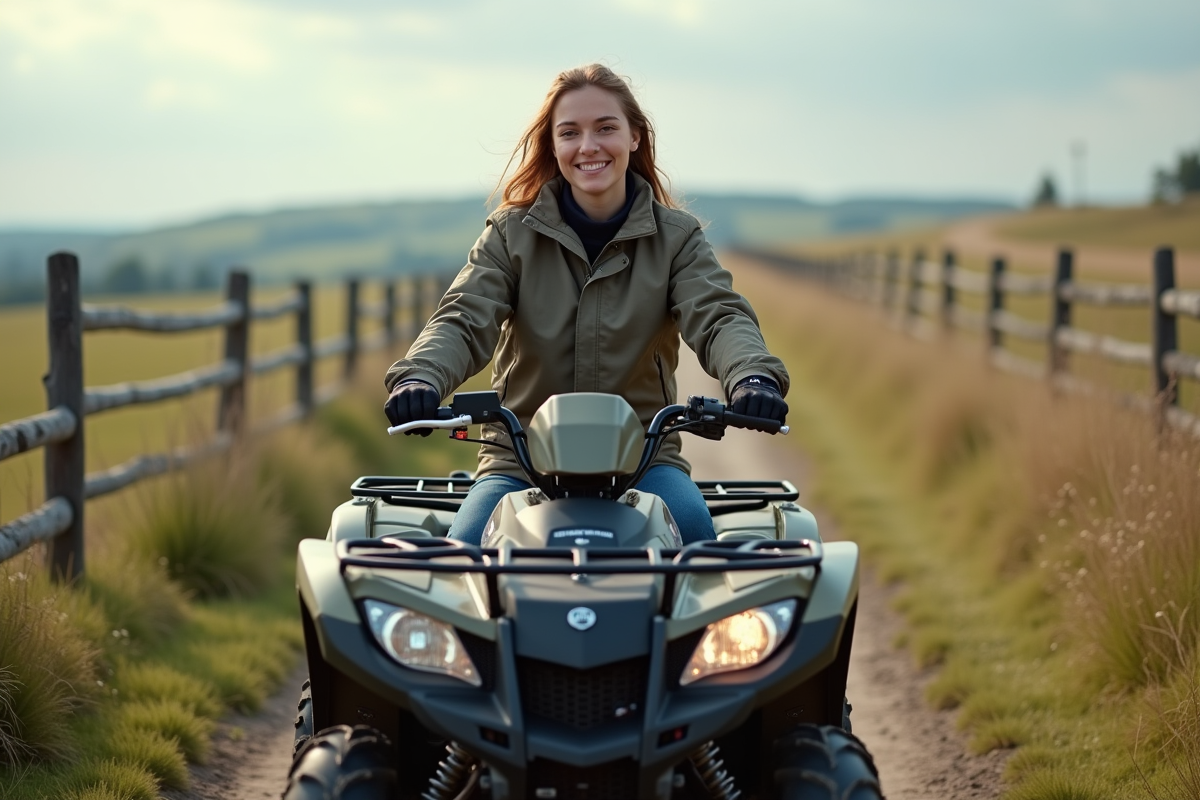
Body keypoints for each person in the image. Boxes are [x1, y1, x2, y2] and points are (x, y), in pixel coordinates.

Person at [383, 64, 789, 546]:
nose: (588, 146)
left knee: (697, 547)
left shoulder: (677, 238)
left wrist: (752, 376)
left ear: (635, 137)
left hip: (643, 460)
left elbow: (718, 315)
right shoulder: (511, 234)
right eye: (570, 132)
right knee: (467, 555)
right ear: (553, 146)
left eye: (606, 128)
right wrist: (419, 376)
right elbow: (464, 317)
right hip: (521, 461)